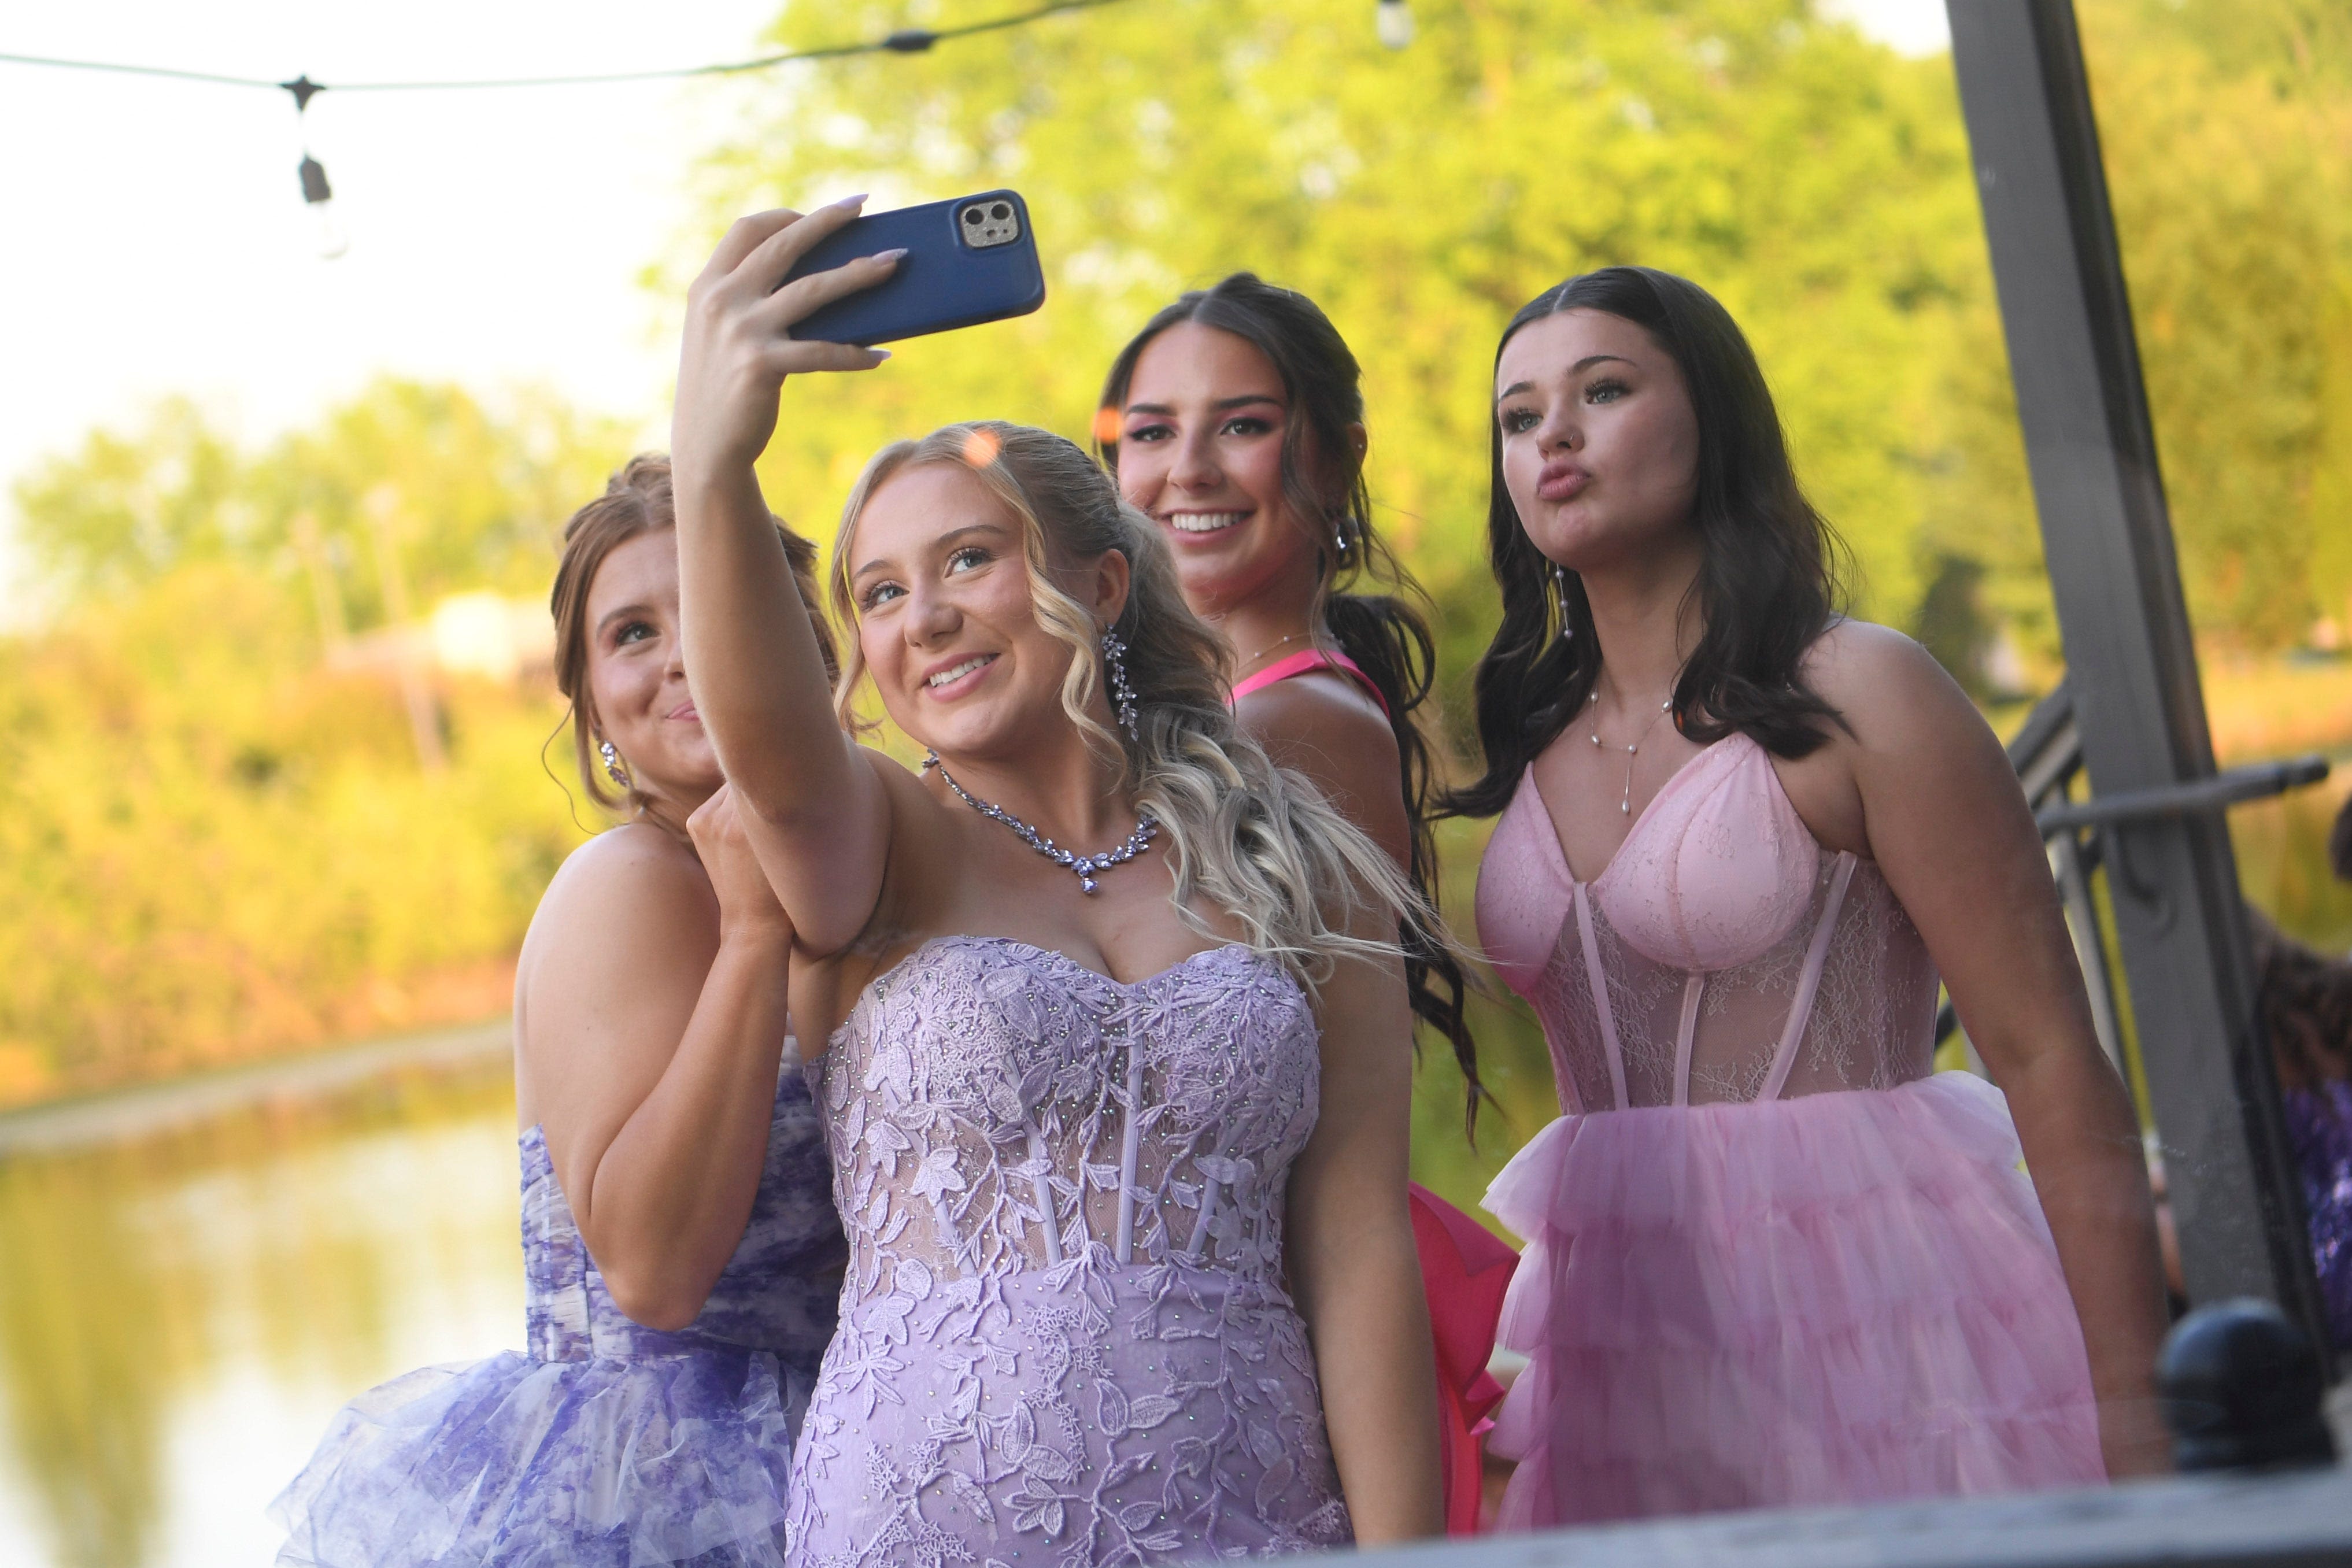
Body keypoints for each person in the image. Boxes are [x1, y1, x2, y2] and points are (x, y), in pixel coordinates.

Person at [670, 200, 1445, 1564]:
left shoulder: (1291, 849)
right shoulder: (880, 839)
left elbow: (1359, 1247)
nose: (928, 619)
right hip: (922, 1525)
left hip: (1249, 1519)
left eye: (971, 557)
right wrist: (713, 465)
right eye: (881, 594)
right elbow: (777, 752)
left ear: (1098, 581)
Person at [1445, 267, 2172, 1527]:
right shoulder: (1524, 729)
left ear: (1714, 423)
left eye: (1602, 391)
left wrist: (2138, 1419)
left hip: (1885, 1315)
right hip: (1632, 1345)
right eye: (1519, 416)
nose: (1552, 435)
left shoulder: (1859, 687)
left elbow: (2049, 1054)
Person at [271, 458, 848, 1568]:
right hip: (674, 1496)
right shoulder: (626, 887)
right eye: (631, 633)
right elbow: (651, 1272)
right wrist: (750, 936)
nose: (683, 654)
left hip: (872, 1451)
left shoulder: (876, 871)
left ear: (810, 643)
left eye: (712, 605)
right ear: (592, 709)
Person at [1097, 274, 1514, 1536]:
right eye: (1151, 433)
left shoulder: (1294, 722)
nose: (1188, 470)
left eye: (1242, 424)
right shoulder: (1204, 718)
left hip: (1294, 1311)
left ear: (1332, 457)